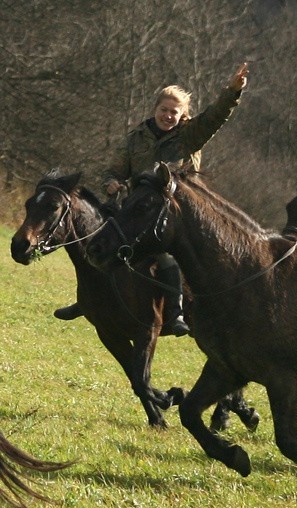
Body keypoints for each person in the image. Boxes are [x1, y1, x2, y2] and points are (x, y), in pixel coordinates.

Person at [54, 62, 249, 336]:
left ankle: (176, 312)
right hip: (137, 209)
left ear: (183, 116)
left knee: (166, 256)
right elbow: (114, 169)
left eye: (174, 112)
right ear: (155, 109)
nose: (168, 116)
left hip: (176, 212)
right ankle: (87, 301)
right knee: (101, 241)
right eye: (164, 110)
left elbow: (216, 117)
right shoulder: (136, 138)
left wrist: (232, 91)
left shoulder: (189, 136)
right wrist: (111, 182)